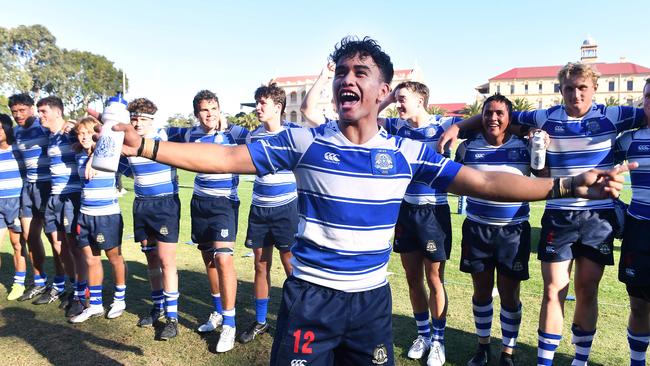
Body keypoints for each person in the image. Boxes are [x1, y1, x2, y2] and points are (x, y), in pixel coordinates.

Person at [108, 36, 632, 366]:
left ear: (384, 92)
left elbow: (487, 183)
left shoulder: (407, 152)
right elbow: (224, 160)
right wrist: (147, 145)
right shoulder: (305, 141)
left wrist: (566, 186)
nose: (347, 80)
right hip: (311, 300)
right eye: (342, 73)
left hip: (371, 305)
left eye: (361, 73)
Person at [438, 62, 647, 366]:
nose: (576, 94)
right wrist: (457, 126)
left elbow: (648, 112)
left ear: (594, 88)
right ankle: (544, 362)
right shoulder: (545, 117)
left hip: (598, 216)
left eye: (582, 88)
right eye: (569, 88)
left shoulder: (614, 115)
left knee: (586, 290)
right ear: (560, 90)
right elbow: (500, 116)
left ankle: (580, 360)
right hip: (558, 212)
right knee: (552, 290)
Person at [376, 81, 462, 365]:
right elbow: (368, 115)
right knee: (412, 278)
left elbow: (475, 121)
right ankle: (423, 335)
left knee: (434, 278)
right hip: (405, 211)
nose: (398, 104)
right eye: (397, 99)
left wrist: (456, 128)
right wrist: (389, 97)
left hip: (434, 212)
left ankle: (438, 341)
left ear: (421, 100)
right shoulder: (395, 127)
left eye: (403, 99)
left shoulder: (441, 125)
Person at [167, 90, 248, 352]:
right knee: (209, 259)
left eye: (213, 108)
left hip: (225, 203)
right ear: (196, 114)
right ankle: (217, 313)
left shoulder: (233, 134)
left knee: (224, 258)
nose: (210, 114)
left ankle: (230, 324)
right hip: (199, 202)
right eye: (204, 110)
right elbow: (161, 132)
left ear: (219, 109)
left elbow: (260, 136)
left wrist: (231, 125)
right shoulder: (190, 135)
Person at [455, 94, 533, 366]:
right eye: (488, 113)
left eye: (500, 113)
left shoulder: (525, 147)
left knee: (510, 295)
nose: (493, 118)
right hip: (477, 230)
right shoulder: (467, 148)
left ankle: (508, 352)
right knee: (481, 292)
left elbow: (544, 175)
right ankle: (483, 346)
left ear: (509, 118)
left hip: (513, 232)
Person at [238, 83, 301, 346]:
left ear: (278, 107)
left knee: (291, 267)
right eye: (257, 103)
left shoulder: (295, 134)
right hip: (259, 209)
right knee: (260, 265)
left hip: (286, 208)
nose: (258, 108)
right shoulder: (252, 137)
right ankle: (261, 321)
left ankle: (298, 321)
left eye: (263, 104)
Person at [126, 98, 181, 340]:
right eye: (134, 118)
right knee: (151, 261)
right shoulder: (126, 141)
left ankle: (172, 318)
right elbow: (119, 165)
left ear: (152, 120)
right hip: (141, 205)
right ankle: (157, 306)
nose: (138, 123)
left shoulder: (167, 135)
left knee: (167, 261)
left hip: (165, 205)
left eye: (143, 119)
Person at [69, 116, 128, 323]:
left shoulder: (109, 155)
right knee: (91, 260)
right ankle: (94, 305)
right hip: (85, 215)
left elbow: (115, 134)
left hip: (107, 216)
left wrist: (95, 155)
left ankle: (119, 300)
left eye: (87, 133)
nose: (84, 137)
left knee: (114, 258)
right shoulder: (78, 154)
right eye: (80, 133)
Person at [33, 96, 86, 316]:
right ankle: (72, 287)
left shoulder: (70, 131)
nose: (40, 115)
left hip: (70, 196)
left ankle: (81, 295)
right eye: (39, 111)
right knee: (57, 245)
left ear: (58, 112)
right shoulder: (51, 135)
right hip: (53, 197)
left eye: (44, 111)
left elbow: (91, 138)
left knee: (74, 246)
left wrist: (75, 126)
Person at [614, 78, 650, 366]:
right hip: (639, 229)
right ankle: (636, 362)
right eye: (649, 97)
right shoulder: (629, 140)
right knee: (639, 304)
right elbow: (596, 166)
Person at [9, 94, 55, 302]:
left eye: (22, 110)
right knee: (29, 236)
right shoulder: (16, 132)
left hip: (48, 186)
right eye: (14, 111)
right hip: (27, 187)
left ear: (31, 109)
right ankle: (39, 281)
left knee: (55, 238)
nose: (18, 115)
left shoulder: (44, 127)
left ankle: (63, 283)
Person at [0, 113, 27, 301]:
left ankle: (18, 283)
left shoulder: (18, 149)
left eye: (1, 127)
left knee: (17, 244)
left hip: (15, 202)